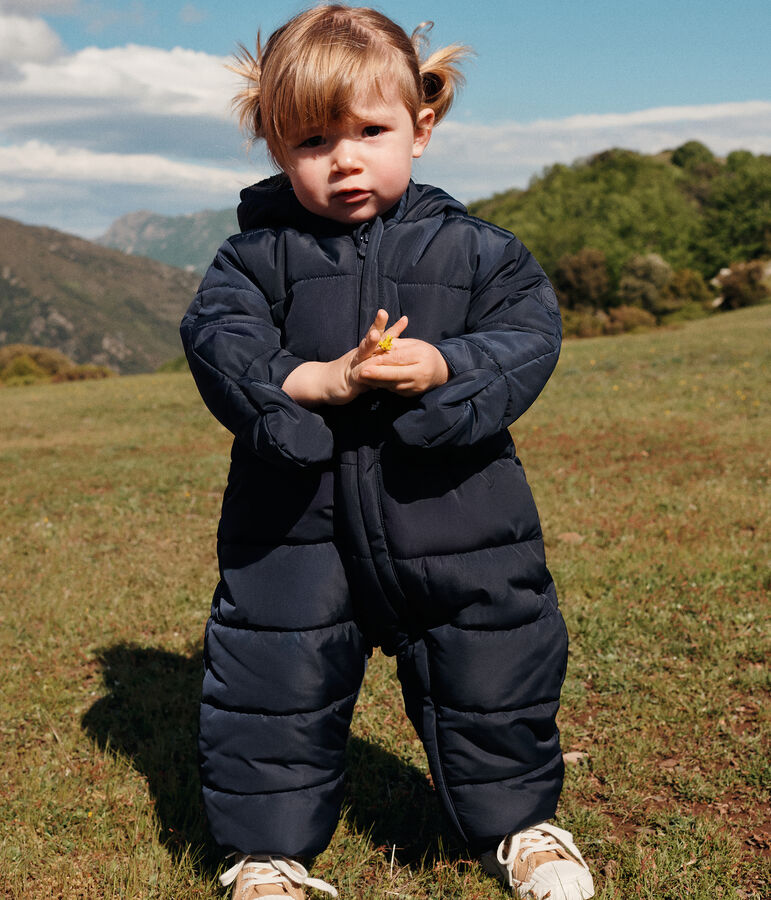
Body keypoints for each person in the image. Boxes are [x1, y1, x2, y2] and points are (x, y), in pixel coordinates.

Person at [180, 5, 595, 899]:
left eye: (370, 131)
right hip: (291, 527)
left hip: (459, 516)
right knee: (272, 684)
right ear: (274, 145)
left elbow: (528, 335)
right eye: (311, 140)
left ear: (421, 127)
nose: (344, 159)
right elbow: (220, 346)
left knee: (493, 669)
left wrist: (446, 365)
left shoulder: (480, 252)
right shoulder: (250, 260)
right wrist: (315, 382)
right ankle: (266, 855)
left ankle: (519, 826)